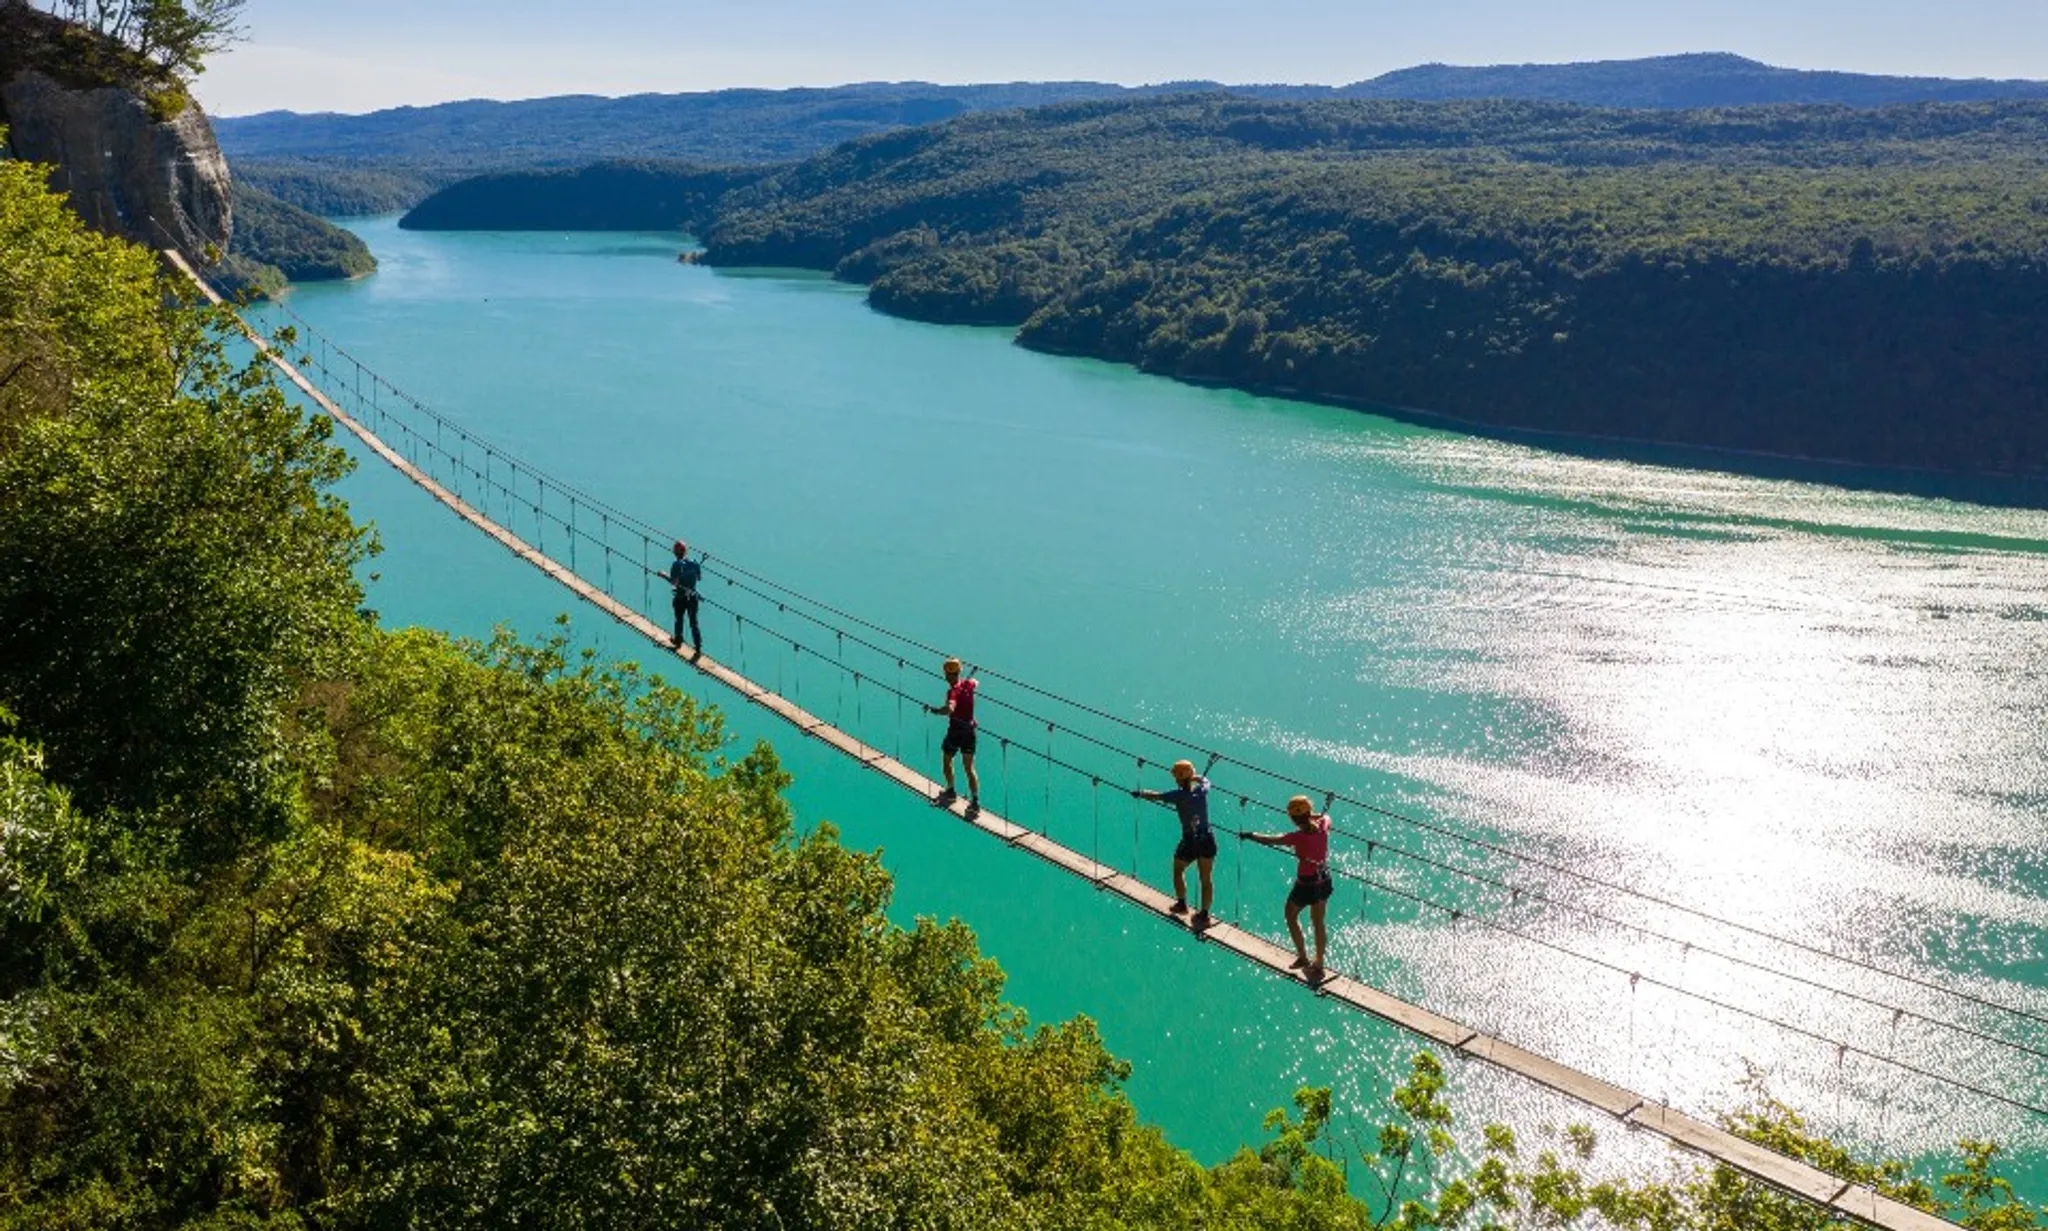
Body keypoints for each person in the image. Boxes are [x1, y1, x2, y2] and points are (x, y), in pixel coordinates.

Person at [1246, 795, 1332, 983]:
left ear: (1293, 819)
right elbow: (1326, 818)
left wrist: (1251, 835)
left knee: (1290, 914)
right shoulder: (1323, 828)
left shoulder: (1297, 837)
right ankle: (1319, 963)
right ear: (1309, 813)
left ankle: (1302, 956)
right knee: (1318, 921)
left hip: (1306, 883)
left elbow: (1271, 840)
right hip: (1324, 879)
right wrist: (1314, 816)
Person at [1133, 759, 1216, 928]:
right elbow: (1206, 782)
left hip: (1190, 840)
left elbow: (1156, 796)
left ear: (1178, 779)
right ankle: (1205, 914)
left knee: (1178, 869)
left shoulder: (1177, 796)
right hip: (1206, 838)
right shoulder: (1201, 792)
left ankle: (1182, 904)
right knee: (1206, 878)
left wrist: (1140, 793)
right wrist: (1196, 778)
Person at [925, 657, 980, 819]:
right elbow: (975, 682)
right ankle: (975, 800)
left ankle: (950, 790)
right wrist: (968, 683)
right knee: (969, 768)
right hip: (970, 732)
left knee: (947, 760)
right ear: (959, 672)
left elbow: (949, 709)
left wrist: (935, 711)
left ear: (947, 675)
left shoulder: (952, 691)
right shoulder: (968, 685)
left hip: (955, 732)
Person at [668, 540, 702, 658]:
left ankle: (678, 640)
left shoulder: (676, 564)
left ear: (675, 552)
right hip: (693, 597)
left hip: (680, 597)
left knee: (679, 619)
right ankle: (698, 648)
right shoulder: (695, 563)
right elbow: (698, 578)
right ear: (686, 551)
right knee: (694, 623)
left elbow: (674, 582)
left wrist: (664, 575)